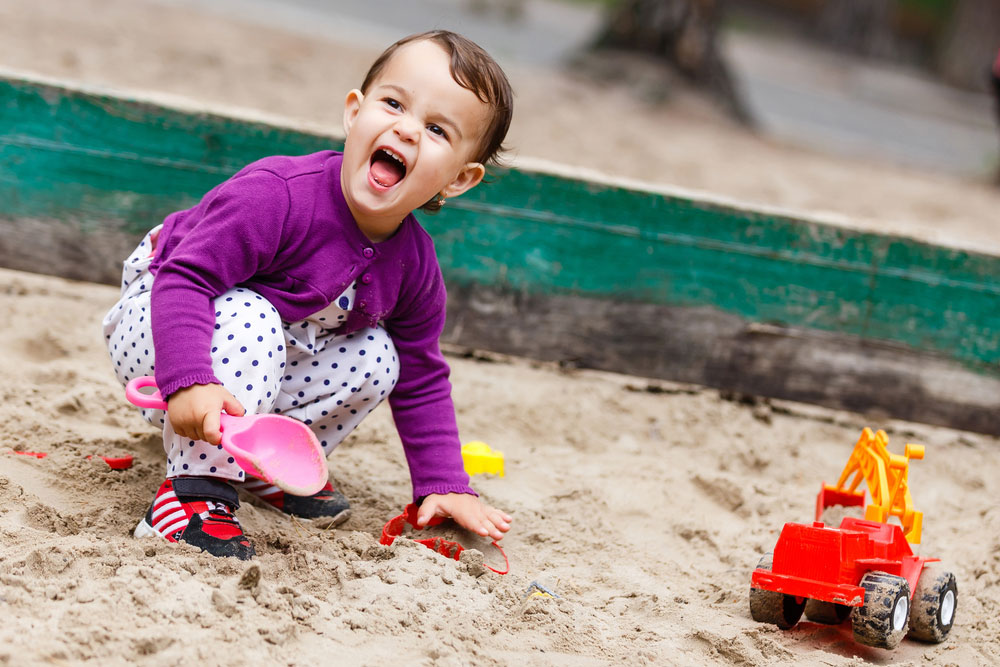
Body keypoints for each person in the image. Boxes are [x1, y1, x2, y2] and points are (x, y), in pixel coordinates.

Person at [102, 30, 514, 560]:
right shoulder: (277, 195)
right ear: (354, 113)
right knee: (252, 315)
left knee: (378, 358)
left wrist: (444, 481)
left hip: (262, 347)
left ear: (459, 178)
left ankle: (260, 460)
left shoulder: (414, 263)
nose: (406, 129)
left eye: (436, 129)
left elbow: (422, 375)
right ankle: (191, 495)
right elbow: (187, 278)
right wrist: (187, 379)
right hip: (162, 322)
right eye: (393, 103)